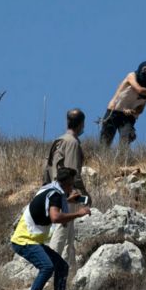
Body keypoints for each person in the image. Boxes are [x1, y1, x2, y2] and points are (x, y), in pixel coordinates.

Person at [11, 167, 91, 290]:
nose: (72, 187)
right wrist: (78, 213)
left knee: (62, 266)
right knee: (47, 267)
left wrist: (67, 200)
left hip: (32, 240)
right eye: (72, 184)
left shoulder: (49, 189)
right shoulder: (55, 195)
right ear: (66, 184)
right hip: (24, 240)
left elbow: (50, 204)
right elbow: (55, 217)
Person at [43, 109, 91, 269]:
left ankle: (69, 270)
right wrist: (85, 195)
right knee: (61, 233)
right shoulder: (72, 142)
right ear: (81, 124)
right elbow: (73, 174)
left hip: (54, 191)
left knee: (69, 236)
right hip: (66, 194)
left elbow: (47, 168)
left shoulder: (58, 141)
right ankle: (49, 268)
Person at [100, 61, 146, 147]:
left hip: (128, 117)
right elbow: (139, 89)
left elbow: (140, 109)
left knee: (127, 138)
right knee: (105, 141)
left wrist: (132, 111)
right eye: (144, 69)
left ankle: (122, 158)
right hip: (114, 110)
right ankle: (102, 159)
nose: (145, 71)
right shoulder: (132, 76)